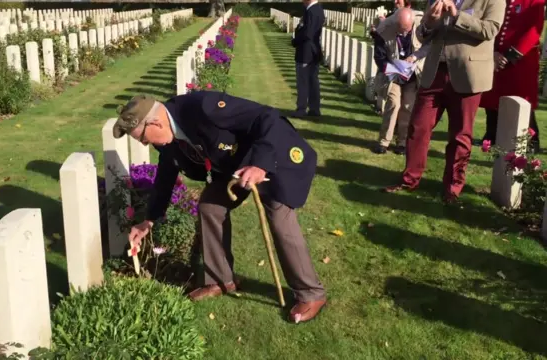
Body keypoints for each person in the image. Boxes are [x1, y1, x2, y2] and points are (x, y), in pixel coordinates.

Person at [115, 92, 327, 323]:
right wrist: (150, 219)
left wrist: (260, 164)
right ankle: (220, 279)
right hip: (236, 167)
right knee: (210, 207)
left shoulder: (203, 108)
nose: (145, 143)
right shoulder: (167, 138)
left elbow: (268, 118)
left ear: (155, 122)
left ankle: (311, 293)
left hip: (274, 155)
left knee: (279, 217)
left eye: (143, 138)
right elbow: (165, 175)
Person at [385, 0, 505, 203]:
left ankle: (452, 189)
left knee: (460, 134)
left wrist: (457, 15)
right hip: (435, 72)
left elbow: (490, 29)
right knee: (418, 128)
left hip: (467, 74)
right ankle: (409, 180)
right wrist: (429, 23)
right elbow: (422, 36)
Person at [476, 0, 545, 153]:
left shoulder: (534, 2)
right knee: (492, 98)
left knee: (522, 102)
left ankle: (530, 141)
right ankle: (491, 136)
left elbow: (534, 31)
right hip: (495, 58)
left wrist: (510, 55)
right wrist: (492, 52)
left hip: (520, 61)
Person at [371, 8, 430, 155]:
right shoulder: (384, 30)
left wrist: (415, 56)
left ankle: (402, 142)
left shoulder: (422, 23)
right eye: (400, 30)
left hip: (413, 73)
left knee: (408, 107)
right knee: (393, 104)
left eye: (407, 30)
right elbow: (379, 57)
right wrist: (393, 69)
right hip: (393, 74)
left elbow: (430, 44)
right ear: (395, 23)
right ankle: (384, 142)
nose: (403, 33)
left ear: (413, 23)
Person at [291, 0, 325, 118]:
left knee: (303, 82)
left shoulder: (312, 11)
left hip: (306, 51)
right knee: (312, 81)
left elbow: (308, 33)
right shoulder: (317, 9)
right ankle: (314, 109)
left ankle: (301, 109)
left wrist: (295, 41)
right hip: (313, 52)